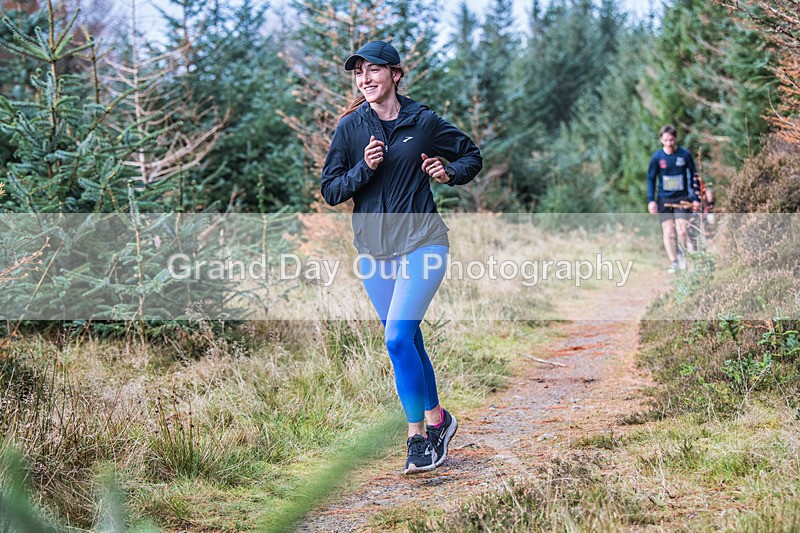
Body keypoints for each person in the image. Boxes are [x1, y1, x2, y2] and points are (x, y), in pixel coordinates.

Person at [321, 40, 482, 474]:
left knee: (395, 338)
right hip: (374, 252)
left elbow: (471, 155)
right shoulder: (351, 128)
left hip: (424, 242)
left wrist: (448, 173)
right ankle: (439, 420)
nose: (365, 79)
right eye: (358, 73)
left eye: (373, 71)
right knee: (407, 340)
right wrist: (363, 170)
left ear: (395, 73)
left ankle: (416, 438)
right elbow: (331, 189)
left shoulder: (422, 121)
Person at [646, 125, 701, 273]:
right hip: (663, 199)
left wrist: (696, 198)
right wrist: (651, 200)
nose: (669, 143)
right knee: (668, 233)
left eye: (671, 140)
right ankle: (674, 262)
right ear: (661, 140)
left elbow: (694, 177)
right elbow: (651, 178)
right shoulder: (657, 157)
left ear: (675, 138)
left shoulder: (684, 155)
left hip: (682, 198)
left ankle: (686, 256)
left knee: (682, 230)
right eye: (665, 140)